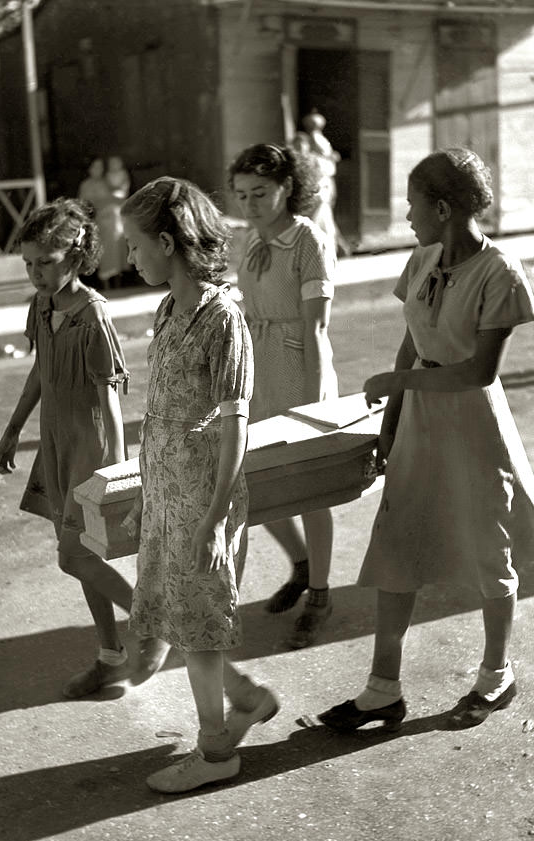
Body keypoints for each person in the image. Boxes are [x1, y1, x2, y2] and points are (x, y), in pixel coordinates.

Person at [317, 148, 534, 734]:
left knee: (487, 548)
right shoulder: (423, 260)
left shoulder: (500, 272)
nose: (406, 216)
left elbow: (479, 372)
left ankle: (495, 676)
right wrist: (390, 428)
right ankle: (382, 689)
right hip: (419, 422)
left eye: (413, 205)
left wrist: (399, 382)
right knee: (398, 544)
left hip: (473, 427)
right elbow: (410, 344)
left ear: (442, 207)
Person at [120, 176, 279, 793]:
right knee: (184, 620)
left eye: (135, 246)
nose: (129, 258)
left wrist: (215, 517)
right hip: (168, 496)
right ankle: (246, 701)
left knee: (199, 626)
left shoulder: (222, 320)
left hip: (204, 502)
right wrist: (148, 493)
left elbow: (236, 426)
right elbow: (164, 414)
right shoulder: (168, 309)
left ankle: (216, 753)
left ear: (166, 241)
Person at [0, 197, 138, 699]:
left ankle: (156, 621)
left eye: (45, 263)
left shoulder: (93, 314)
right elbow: (41, 367)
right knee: (80, 556)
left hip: (90, 447)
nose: (34, 273)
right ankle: (111, 655)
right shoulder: (42, 305)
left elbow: (110, 393)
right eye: (28, 263)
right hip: (55, 444)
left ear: (75, 257)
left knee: (72, 556)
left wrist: (116, 469)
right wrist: (14, 427)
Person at [228, 143, 338, 650]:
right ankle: (300, 564)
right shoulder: (250, 241)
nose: (250, 204)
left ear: (287, 189)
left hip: (298, 370)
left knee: (312, 487)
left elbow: (316, 328)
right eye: (242, 194)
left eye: (261, 193)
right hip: (257, 370)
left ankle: (320, 592)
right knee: (255, 483)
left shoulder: (308, 242)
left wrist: (315, 408)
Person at [292, 110, 351, 257]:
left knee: (323, 219)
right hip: (312, 191)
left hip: (322, 186)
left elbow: (324, 162)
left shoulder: (319, 143)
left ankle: (331, 249)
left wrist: (331, 157)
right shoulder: (309, 146)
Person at [78, 157, 129, 289]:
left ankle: (117, 280)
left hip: (111, 220)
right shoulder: (86, 185)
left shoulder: (106, 182)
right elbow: (84, 206)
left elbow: (119, 196)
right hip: (97, 221)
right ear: (89, 169)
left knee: (117, 235)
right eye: (95, 167)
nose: (98, 170)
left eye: (100, 167)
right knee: (105, 239)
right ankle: (105, 281)